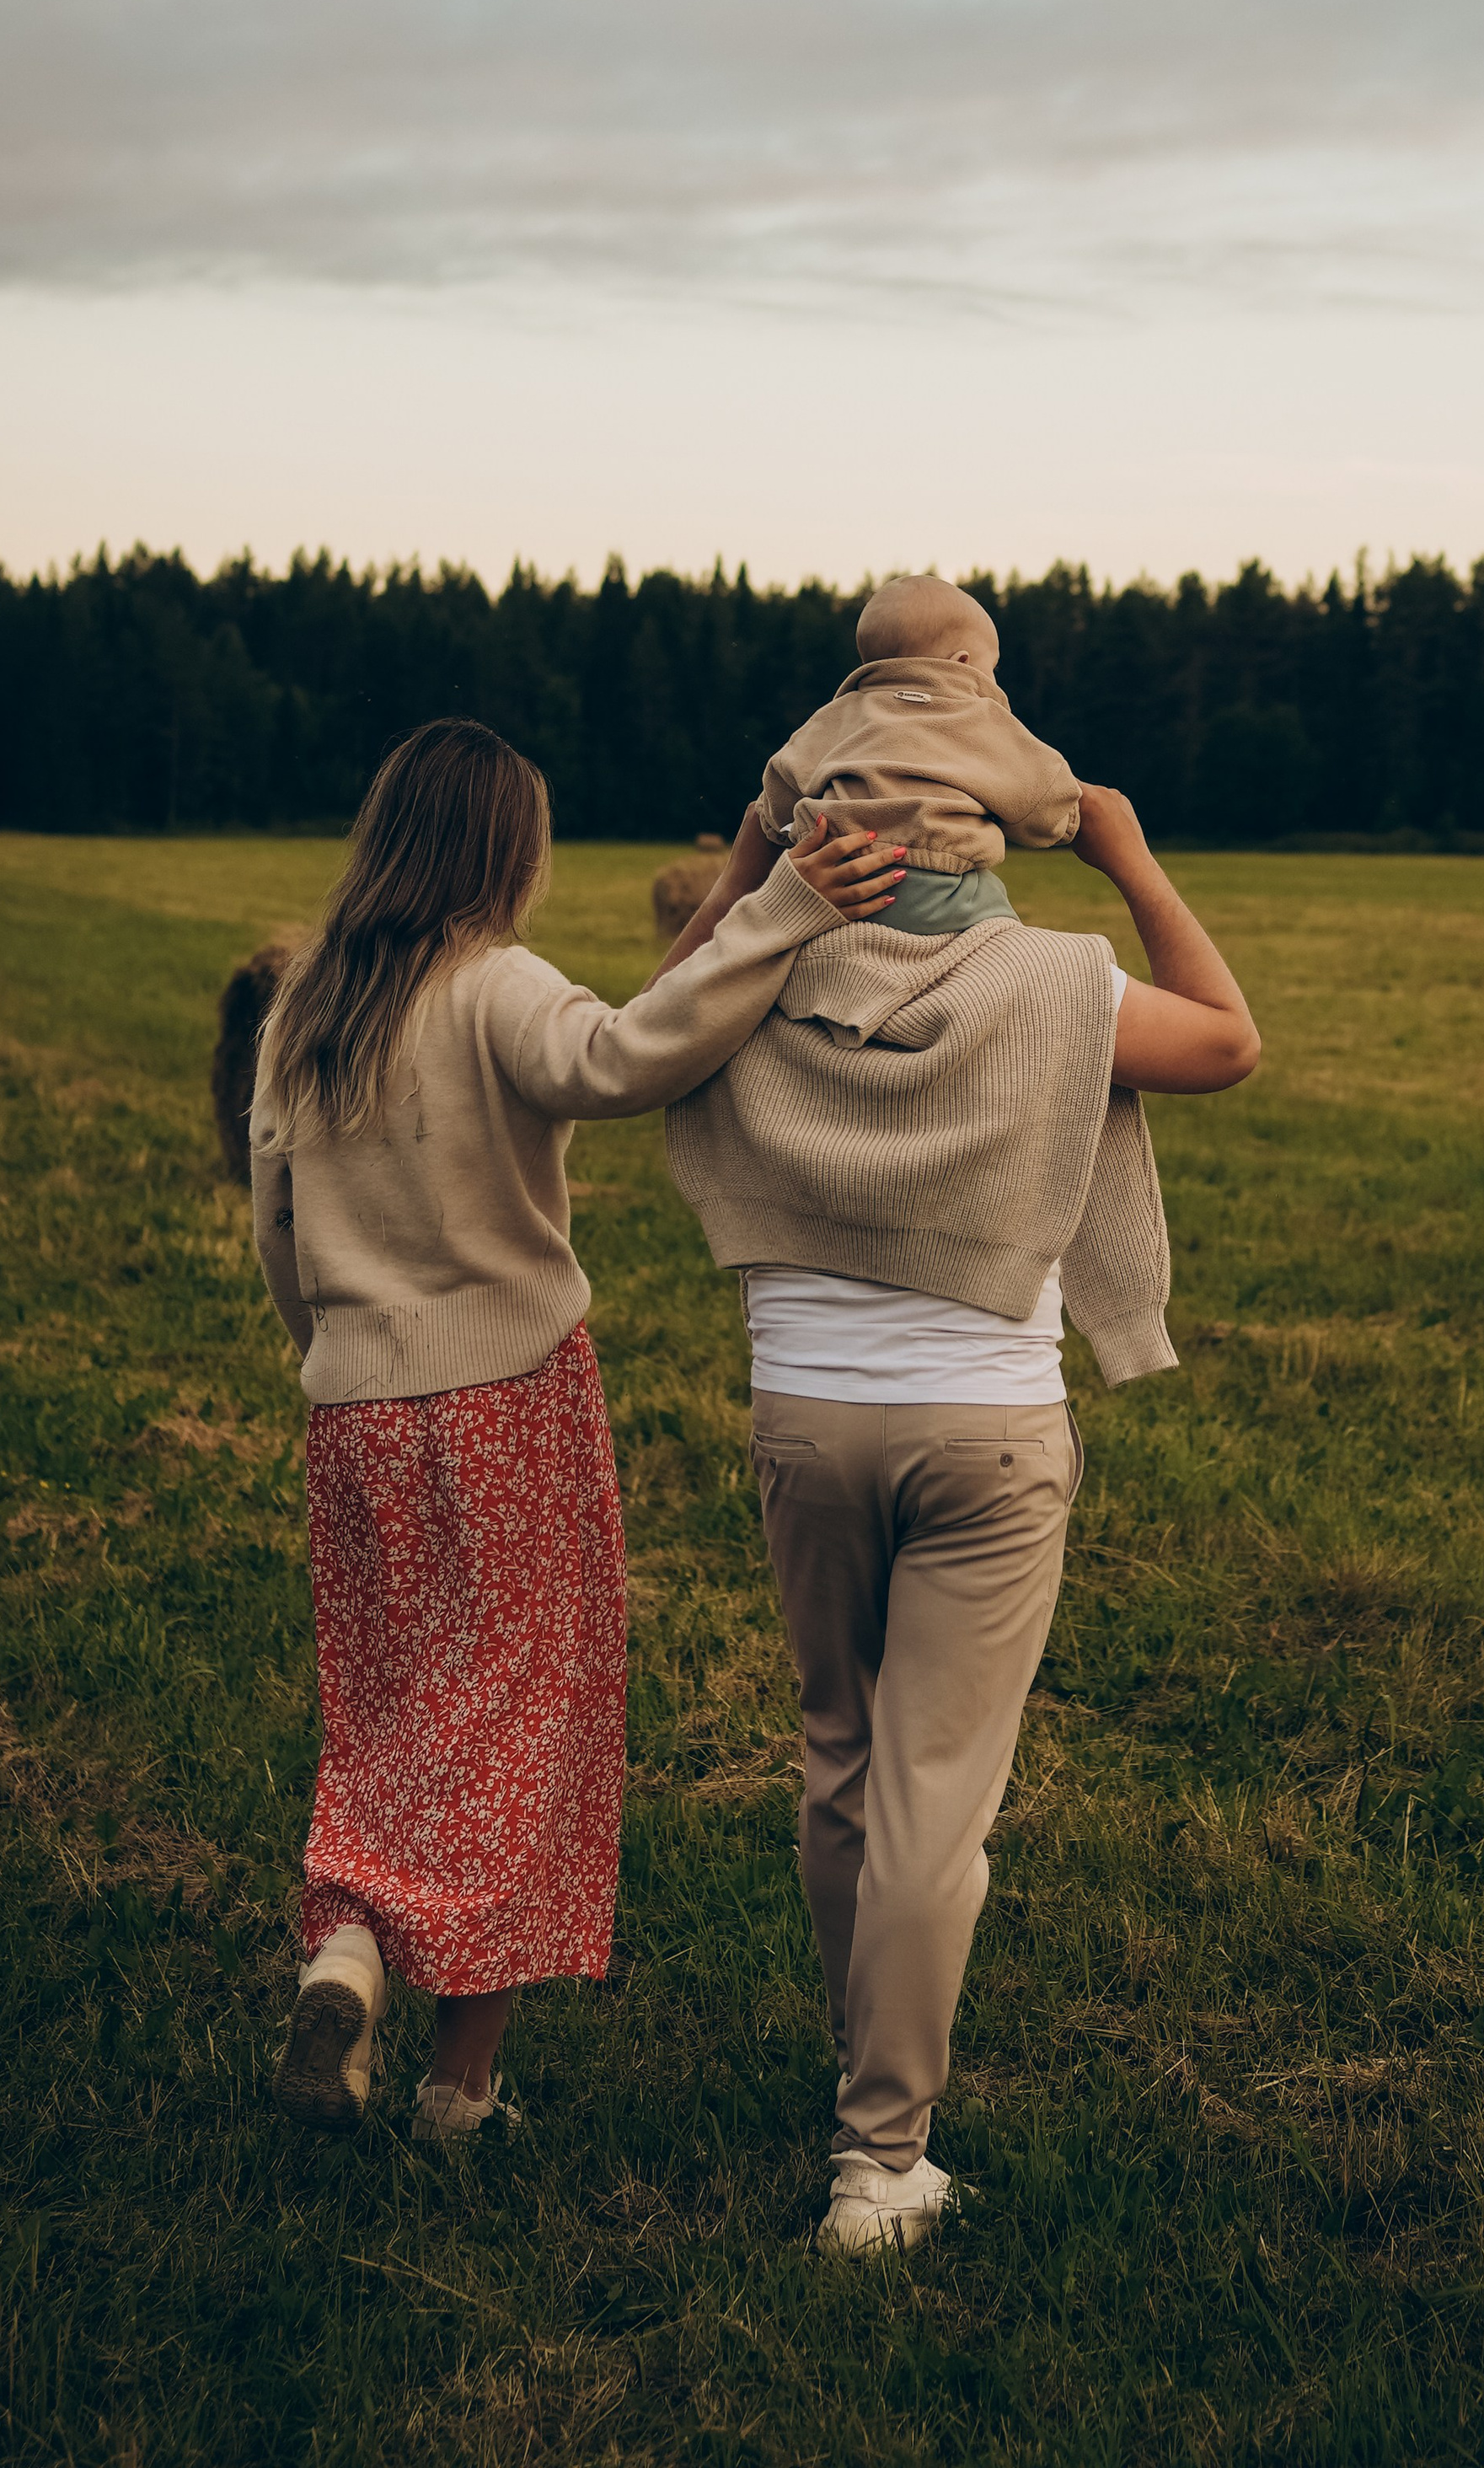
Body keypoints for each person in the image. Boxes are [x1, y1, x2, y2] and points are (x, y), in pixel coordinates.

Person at [250, 716, 903, 2144]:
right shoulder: (497, 988)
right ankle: (459, 2093)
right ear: (510, 853)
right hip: (512, 1402)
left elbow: (278, 1226)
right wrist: (791, 904)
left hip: (353, 1412)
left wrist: (337, 1359)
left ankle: (347, 1954)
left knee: (387, 1706)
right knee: (519, 1725)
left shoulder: (305, 1006)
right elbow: (624, 1060)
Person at [661, 779, 1258, 2252]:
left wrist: (752, 859)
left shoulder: (759, 972)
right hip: (986, 1432)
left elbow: (641, 1037)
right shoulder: (1060, 983)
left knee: (838, 1760)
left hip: (805, 1421)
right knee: (937, 1795)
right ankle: (882, 2162)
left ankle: (862, 2066)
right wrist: (1126, 849)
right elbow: (1230, 1041)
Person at [755, 572, 1079, 936]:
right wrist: (1068, 821)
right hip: (944, 895)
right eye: (994, 669)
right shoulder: (978, 719)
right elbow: (1042, 801)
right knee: (1011, 935)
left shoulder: (836, 717)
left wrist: (775, 824)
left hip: (836, 887)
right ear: (963, 663)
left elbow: (779, 788)